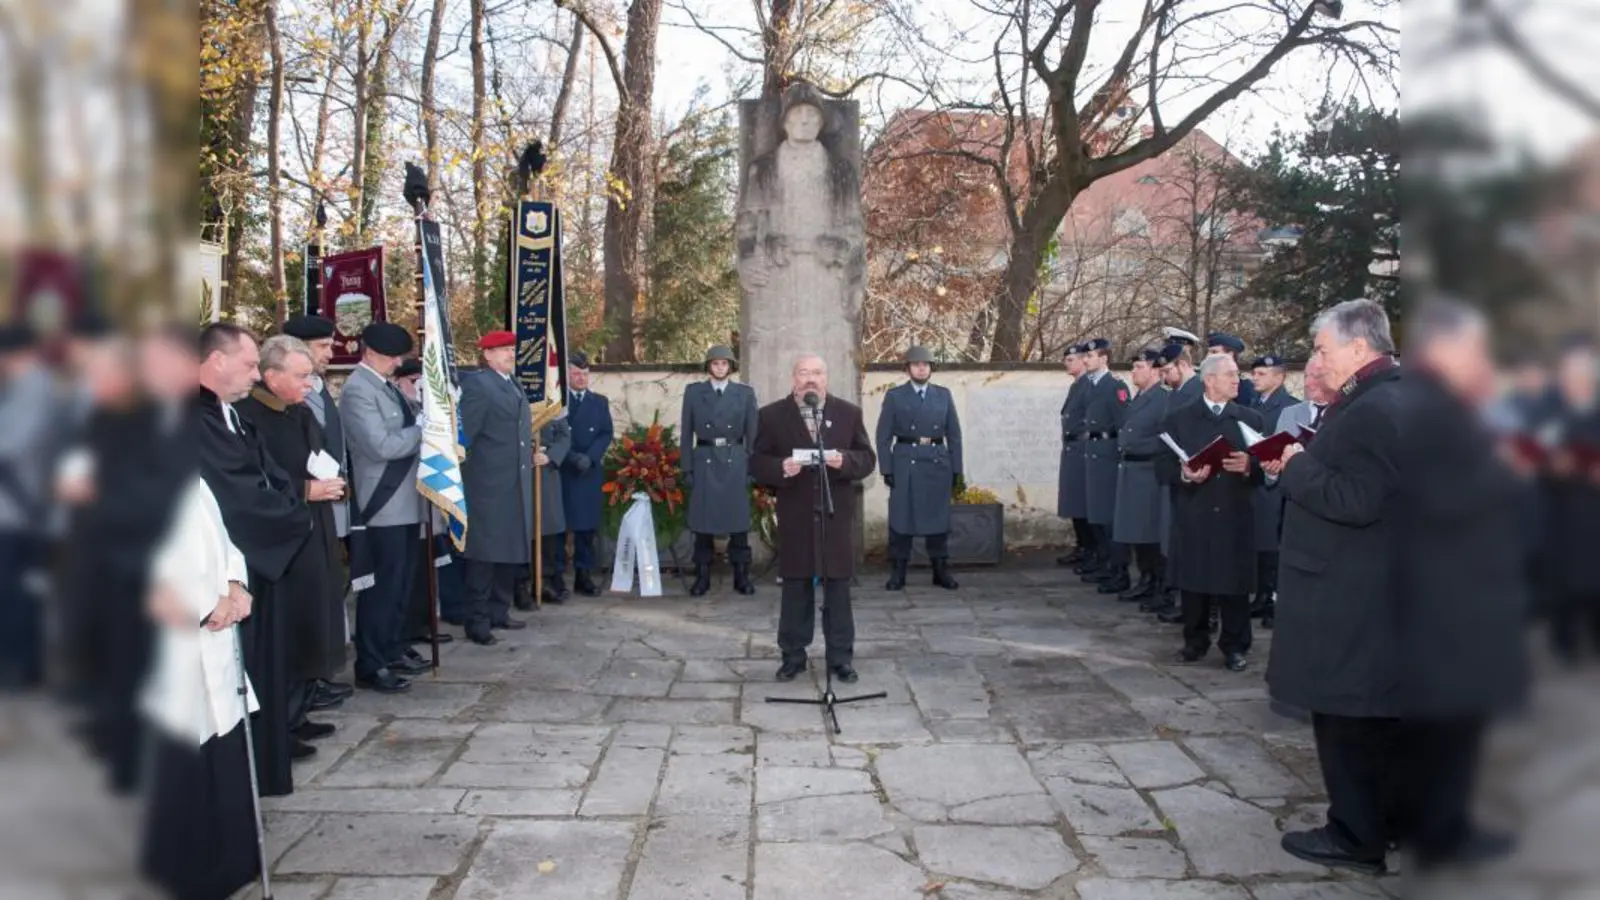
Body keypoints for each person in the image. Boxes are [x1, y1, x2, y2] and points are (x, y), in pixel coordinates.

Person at [1263, 298, 1404, 874]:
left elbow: (1357, 499)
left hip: (1349, 589)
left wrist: (1295, 464)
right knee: (1371, 716)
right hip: (1367, 584)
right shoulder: (1389, 396)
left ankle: (1355, 835)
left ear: (1357, 347)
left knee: (1346, 715)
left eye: (1322, 348)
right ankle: (1383, 823)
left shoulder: (1375, 408)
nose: (1316, 359)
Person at [1392, 297, 1525, 871]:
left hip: (1443, 594)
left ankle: (1434, 821)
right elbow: (1436, 499)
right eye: (1474, 349)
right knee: (1449, 725)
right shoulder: (1431, 408)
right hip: (1444, 597)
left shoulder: (1438, 403)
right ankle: (1444, 832)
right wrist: (1507, 474)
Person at [193, 323, 313, 796]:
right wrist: (290, 517)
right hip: (230, 565)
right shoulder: (193, 419)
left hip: (258, 559)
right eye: (247, 364)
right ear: (215, 360)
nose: (254, 373)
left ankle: (265, 760)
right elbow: (235, 493)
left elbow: (272, 474)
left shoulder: (233, 414)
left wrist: (290, 510)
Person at [137, 475, 262, 900]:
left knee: (220, 744)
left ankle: (231, 862)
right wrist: (204, 604)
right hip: (168, 639)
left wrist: (234, 584)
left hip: (214, 632)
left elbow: (221, 536)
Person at [233, 335, 347, 749]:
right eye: (301, 376)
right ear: (271, 375)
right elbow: (254, 480)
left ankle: (298, 712)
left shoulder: (298, 413)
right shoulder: (249, 416)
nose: (310, 382)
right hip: (281, 539)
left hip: (314, 527)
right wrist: (305, 490)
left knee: (312, 622)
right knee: (289, 628)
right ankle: (277, 724)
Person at [750, 353, 876, 683]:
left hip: (835, 516)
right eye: (804, 373)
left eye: (817, 373)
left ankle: (840, 658)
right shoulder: (772, 416)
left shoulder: (848, 414)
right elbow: (756, 462)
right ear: (794, 378)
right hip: (795, 515)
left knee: (838, 588)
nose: (810, 379)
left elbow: (866, 459)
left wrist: (844, 461)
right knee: (796, 589)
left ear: (826, 378)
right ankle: (792, 656)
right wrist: (780, 468)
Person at [1154, 353, 1264, 672]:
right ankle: (1195, 640)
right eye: (1230, 374)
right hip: (1195, 511)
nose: (1237, 379)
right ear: (1210, 380)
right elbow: (1161, 465)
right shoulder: (1179, 418)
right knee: (1195, 580)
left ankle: (1235, 645)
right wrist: (1184, 475)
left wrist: (1249, 466)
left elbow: (1268, 466)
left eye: (1238, 374)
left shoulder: (1250, 419)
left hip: (1235, 512)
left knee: (1234, 584)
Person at [339, 322, 426, 694]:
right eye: (393, 357)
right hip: (384, 504)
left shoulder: (386, 385)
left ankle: (391, 646)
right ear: (370, 352)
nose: (397, 363)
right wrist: (426, 431)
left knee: (401, 584)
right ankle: (370, 663)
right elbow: (381, 446)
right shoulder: (358, 390)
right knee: (381, 588)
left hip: (407, 501)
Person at [278, 315, 355, 710]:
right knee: (309, 596)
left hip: (328, 499)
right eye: (323, 346)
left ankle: (317, 677)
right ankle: (307, 683)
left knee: (328, 588)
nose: (331, 352)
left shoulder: (319, 388)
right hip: (304, 504)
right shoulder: (286, 397)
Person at [457, 330, 535, 644]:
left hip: (513, 482)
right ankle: (477, 621)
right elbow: (466, 438)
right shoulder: (478, 384)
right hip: (487, 484)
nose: (509, 354)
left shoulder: (511, 383)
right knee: (484, 555)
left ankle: (498, 611)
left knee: (508, 550)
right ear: (486, 355)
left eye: (511, 349)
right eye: (501, 350)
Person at [877, 345, 963, 591]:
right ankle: (898, 571)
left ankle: (940, 570)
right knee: (901, 520)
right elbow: (883, 436)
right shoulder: (895, 396)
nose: (921, 368)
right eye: (916, 364)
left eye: (925, 364)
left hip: (937, 461)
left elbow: (954, 435)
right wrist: (887, 468)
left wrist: (957, 469)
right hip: (906, 462)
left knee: (938, 519)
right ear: (908, 369)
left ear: (931, 368)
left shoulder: (943, 395)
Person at [0, 323, 57, 690]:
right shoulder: (23, 387)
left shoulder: (35, 387)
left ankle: (23, 666)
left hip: (19, 512)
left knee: (16, 591)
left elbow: (10, 444)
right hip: (16, 509)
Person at [1259, 356, 1334, 629]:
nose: (1309, 383)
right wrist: (1270, 468)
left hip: (1327, 507)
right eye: (1305, 378)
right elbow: (1274, 463)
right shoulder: (1291, 413)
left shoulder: (1344, 413)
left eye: (1316, 377)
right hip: (1292, 506)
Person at [681, 344, 759, 596]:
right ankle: (702, 576)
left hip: (734, 459)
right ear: (708, 366)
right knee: (702, 523)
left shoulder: (744, 394)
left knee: (738, 523)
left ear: (731, 367)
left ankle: (741, 575)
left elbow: (753, 435)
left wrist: (751, 467)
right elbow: (686, 433)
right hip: (704, 458)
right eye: (715, 364)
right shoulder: (693, 393)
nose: (720, 368)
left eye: (724, 364)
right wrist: (687, 467)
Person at [1540, 337, 1600, 662]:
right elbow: (1535, 450)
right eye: (1572, 375)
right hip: (1563, 510)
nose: (1578, 381)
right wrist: (1552, 466)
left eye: (1584, 374)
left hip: (1595, 509)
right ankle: (1565, 644)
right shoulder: (1552, 410)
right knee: (1566, 581)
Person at [1111, 348, 1170, 604]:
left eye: (1139, 367)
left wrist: (1138, 447)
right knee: (1136, 530)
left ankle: (1158, 582)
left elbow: (1165, 438)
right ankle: (1145, 578)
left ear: (1156, 370)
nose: (1134, 372)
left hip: (1148, 472)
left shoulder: (1164, 399)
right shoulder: (1137, 398)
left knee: (1150, 531)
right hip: (1131, 470)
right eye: (1133, 367)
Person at [1248, 354, 1300, 624]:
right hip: (1254, 479)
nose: (1255, 378)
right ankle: (1260, 595)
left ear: (1279, 377)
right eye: (1254, 374)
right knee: (1258, 540)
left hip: (1275, 483)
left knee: (1272, 543)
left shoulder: (1290, 407)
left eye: (1262, 374)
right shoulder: (1251, 404)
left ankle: (1271, 598)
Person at [558, 351, 614, 598]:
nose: (581, 378)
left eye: (585, 373)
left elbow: (605, 432)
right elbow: (553, 435)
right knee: (559, 528)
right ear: (567, 374)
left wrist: (589, 457)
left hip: (588, 471)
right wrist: (571, 457)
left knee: (586, 529)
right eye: (576, 373)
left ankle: (583, 575)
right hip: (562, 468)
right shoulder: (558, 402)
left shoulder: (599, 402)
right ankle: (556, 577)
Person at [1078, 337, 1131, 591]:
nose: (1086, 360)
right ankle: (1104, 561)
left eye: (1090, 356)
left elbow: (1123, 425)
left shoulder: (1115, 386)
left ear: (1104, 359)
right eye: (1085, 356)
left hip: (1108, 454)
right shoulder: (1089, 385)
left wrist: (1120, 458)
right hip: (1093, 452)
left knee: (1110, 517)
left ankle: (1118, 569)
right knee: (1096, 514)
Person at [1055, 344, 1092, 566]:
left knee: (1083, 503)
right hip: (1072, 449)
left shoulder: (1088, 385)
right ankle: (1082, 545)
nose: (1066, 364)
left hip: (1082, 448)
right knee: (1074, 501)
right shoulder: (1076, 385)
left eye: (1071, 360)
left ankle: (1089, 548)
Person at [536, 407, 574, 604]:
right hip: (520, 470)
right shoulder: (513, 391)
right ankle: (521, 584)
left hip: (547, 471)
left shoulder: (552, 398)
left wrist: (551, 455)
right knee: (523, 530)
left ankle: (547, 582)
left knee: (549, 527)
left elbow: (564, 435)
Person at [1207, 331, 1260, 407]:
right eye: (1208, 352)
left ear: (1229, 355)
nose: (1208, 356)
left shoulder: (1244, 388)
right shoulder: (1204, 382)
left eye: (1214, 352)